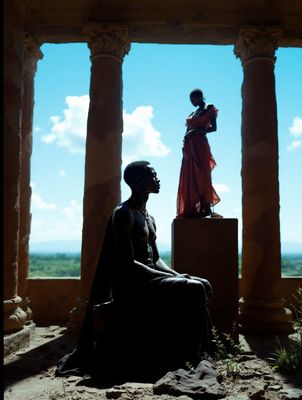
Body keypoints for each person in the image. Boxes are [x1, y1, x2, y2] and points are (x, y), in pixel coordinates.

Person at [57, 161, 213, 383]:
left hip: (151, 278)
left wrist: (177, 275)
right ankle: (195, 356)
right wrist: (169, 278)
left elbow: (156, 259)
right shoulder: (124, 214)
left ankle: (201, 351)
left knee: (203, 284)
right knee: (195, 289)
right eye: (153, 174)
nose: (158, 179)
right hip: (133, 284)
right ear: (139, 181)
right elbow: (126, 263)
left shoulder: (149, 217)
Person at [177, 89, 221, 218]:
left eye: (193, 100)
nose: (192, 102)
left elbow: (214, 128)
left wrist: (196, 131)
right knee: (190, 175)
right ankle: (194, 208)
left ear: (200, 97)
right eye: (191, 100)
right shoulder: (193, 112)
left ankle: (206, 207)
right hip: (189, 147)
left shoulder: (209, 109)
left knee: (203, 174)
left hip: (200, 145)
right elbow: (188, 130)